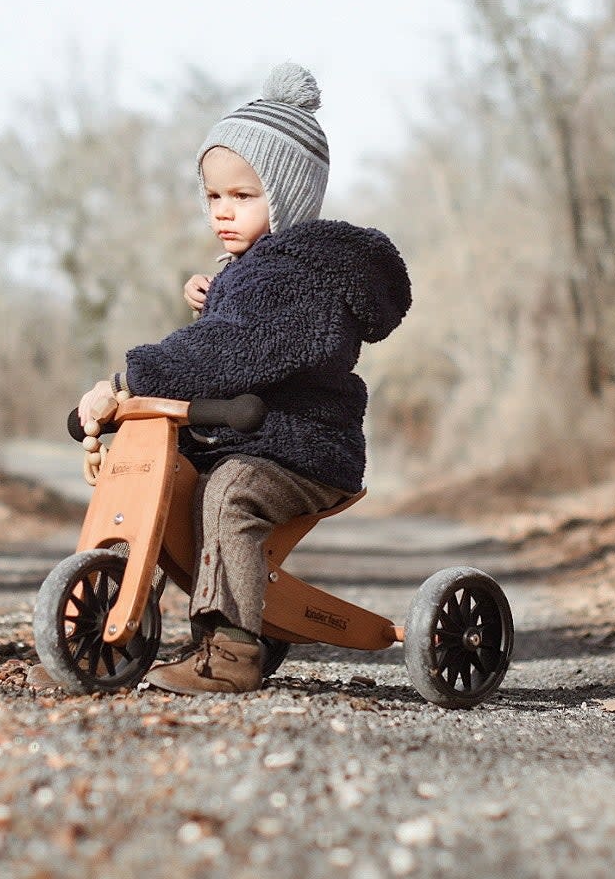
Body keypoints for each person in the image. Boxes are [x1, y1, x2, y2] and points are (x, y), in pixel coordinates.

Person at [75, 62, 412, 695]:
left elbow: (234, 349)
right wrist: (215, 296)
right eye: (213, 197)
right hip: (250, 436)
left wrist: (127, 381)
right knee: (163, 484)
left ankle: (230, 651)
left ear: (285, 196)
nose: (222, 213)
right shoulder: (256, 270)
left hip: (303, 444)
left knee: (230, 493)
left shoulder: (301, 276)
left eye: (243, 196)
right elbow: (235, 334)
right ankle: (102, 639)